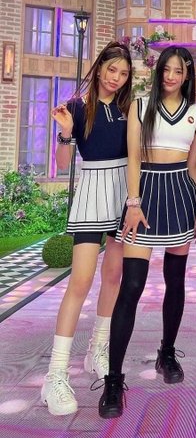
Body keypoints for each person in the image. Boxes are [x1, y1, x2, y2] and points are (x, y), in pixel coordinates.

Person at [98, 46, 196, 419]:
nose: (171, 77)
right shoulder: (140, 106)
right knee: (131, 286)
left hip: (180, 195)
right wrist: (133, 202)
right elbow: (133, 157)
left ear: (187, 75)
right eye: (166, 70)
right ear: (159, 72)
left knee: (176, 282)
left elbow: (195, 166)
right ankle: (113, 380)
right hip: (144, 195)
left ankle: (167, 353)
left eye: (179, 71)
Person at [41, 41, 133, 416]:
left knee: (113, 276)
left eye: (123, 73)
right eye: (111, 70)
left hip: (123, 193)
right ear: (99, 68)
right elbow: (63, 162)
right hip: (93, 192)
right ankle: (55, 374)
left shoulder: (129, 109)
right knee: (80, 281)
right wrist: (65, 131)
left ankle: (98, 348)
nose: (116, 78)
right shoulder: (78, 108)